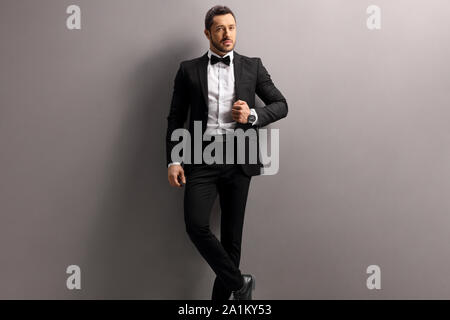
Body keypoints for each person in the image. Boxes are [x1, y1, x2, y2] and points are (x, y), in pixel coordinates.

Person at [166, 5, 288, 300]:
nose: (227, 34)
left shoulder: (253, 66)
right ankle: (239, 284)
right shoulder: (188, 70)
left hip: (239, 158)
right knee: (196, 225)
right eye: (220, 29)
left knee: (233, 241)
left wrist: (253, 116)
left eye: (231, 27)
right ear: (207, 33)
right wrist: (174, 159)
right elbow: (175, 117)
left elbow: (281, 104)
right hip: (201, 157)